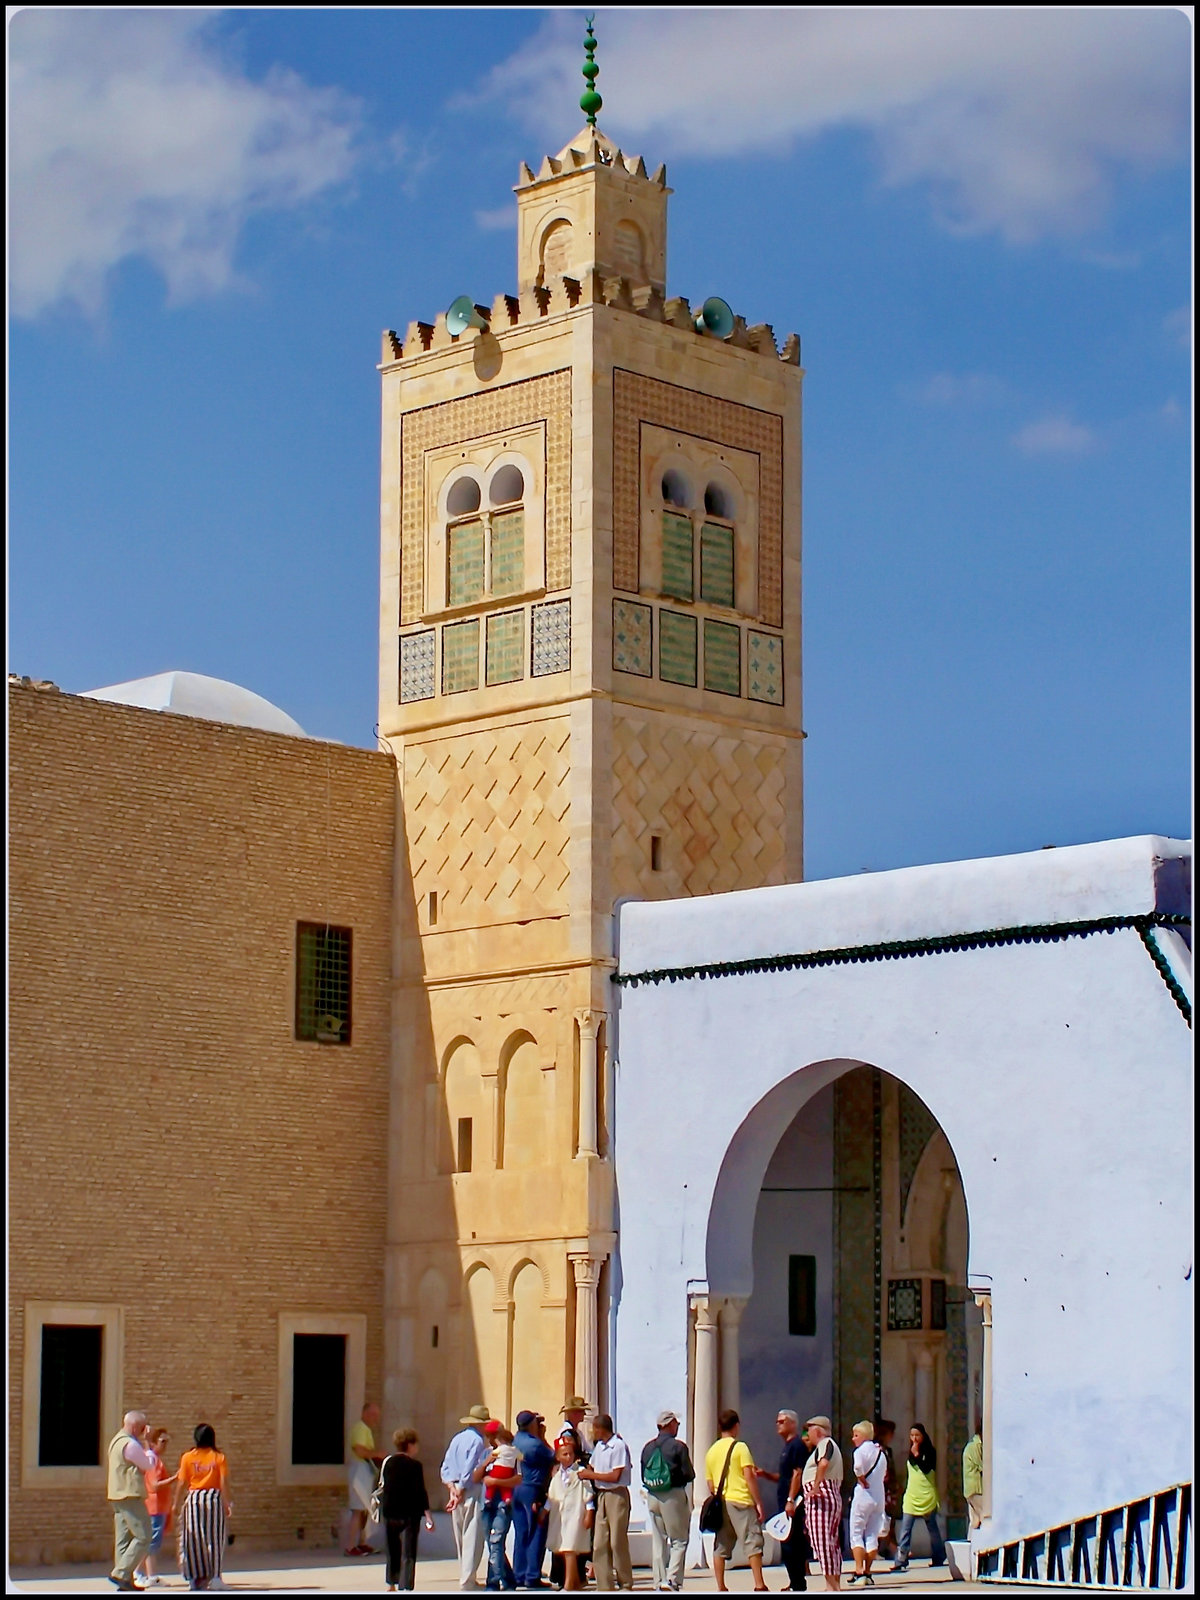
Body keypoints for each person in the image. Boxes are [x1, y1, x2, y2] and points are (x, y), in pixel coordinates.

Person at [703, 1409, 767, 1595]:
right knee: (752, 1541)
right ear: (736, 1426)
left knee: (721, 1545)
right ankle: (759, 1584)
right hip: (740, 1500)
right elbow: (749, 1476)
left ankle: (721, 1586)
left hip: (722, 1501)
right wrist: (758, 1502)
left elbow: (710, 1483)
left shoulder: (711, 1451)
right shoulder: (740, 1448)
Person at [640, 1408, 694, 1593]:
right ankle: (672, 1580)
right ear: (669, 1425)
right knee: (679, 1540)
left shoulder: (647, 1447)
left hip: (652, 1495)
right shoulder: (678, 1446)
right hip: (672, 1495)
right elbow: (689, 1474)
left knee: (659, 1540)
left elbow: (642, 1473)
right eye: (676, 1423)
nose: (678, 1426)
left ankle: (659, 1581)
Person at [173, 1422, 231, 1593]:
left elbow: (182, 1482)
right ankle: (215, 1577)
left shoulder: (187, 1457)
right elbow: (223, 1482)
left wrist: (176, 1503)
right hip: (213, 1499)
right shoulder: (218, 1457)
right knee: (215, 1539)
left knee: (193, 1540)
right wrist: (227, 1503)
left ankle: (194, 1578)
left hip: (193, 1499)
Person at [579, 1413, 634, 1591]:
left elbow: (615, 1475)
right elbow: (593, 1467)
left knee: (617, 1541)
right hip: (601, 1495)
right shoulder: (600, 1447)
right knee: (600, 1542)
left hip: (616, 1495)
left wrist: (591, 1475)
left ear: (600, 1428)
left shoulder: (617, 1446)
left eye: (594, 1428)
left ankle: (625, 1581)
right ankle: (604, 1584)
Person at [440, 1404, 492, 1590]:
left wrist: (452, 1488)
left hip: (455, 1489)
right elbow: (470, 1467)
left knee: (460, 1536)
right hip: (470, 1490)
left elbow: (445, 1466)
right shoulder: (477, 1441)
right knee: (472, 1535)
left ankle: (466, 1575)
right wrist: (461, 1488)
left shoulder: (457, 1438)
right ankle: (468, 1580)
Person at [378, 1428, 435, 1592]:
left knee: (392, 1548)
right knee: (409, 1552)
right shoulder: (415, 1466)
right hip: (410, 1514)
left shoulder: (388, 1462)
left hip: (390, 1511)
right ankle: (406, 1585)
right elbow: (420, 1492)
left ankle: (391, 1583)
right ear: (410, 1445)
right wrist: (429, 1516)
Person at [106, 1410, 158, 1592]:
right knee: (144, 1535)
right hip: (130, 1494)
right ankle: (121, 1572)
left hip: (116, 1494)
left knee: (124, 1538)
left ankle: (125, 1579)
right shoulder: (130, 1444)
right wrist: (148, 1445)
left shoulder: (115, 1441)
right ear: (136, 1427)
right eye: (143, 1427)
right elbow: (149, 1465)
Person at [765, 1410, 811, 1592]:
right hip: (784, 1502)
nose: (778, 1424)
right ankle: (794, 1581)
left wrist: (791, 1499)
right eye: (777, 1421)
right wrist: (765, 1475)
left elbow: (797, 1474)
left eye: (782, 1421)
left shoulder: (797, 1446)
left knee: (793, 1544)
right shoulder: (787, 1447)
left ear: (793, 1423)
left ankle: (799, 1583)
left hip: (793, 1503)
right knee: (786, 1543)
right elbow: (785, 1476)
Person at [550, 1398, 591, 1588]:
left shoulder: (577, 1432)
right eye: (580, 1411)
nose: (582, 1415)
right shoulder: (567, 1434)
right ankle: (566, 1579)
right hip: (572, 1488)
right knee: (567, 1540)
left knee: (572, 1541)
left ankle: (574, 1579)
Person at [891, 1424, 945, 1572]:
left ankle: (939, 1555)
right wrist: (913, 1454)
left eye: (917, 1435)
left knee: (932, 1527)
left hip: (926, 1495)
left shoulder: (930, 1451)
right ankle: (901, 1559)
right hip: (912, 1495)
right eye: (912, 1436)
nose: (914, 1439)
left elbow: (927, 1468)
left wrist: (917, 1455)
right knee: (905, 1529)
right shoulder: (910, 1452)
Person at [512, 1410, 555, 1590]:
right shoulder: (535, 1444)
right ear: (531, 1424)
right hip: (533, 1489)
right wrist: (542, 1436)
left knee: (521, 1533)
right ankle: (532, 1575)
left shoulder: (516, 1440)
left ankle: (519, 1574)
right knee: (536, 1532)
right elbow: (554, 1456)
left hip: (517, 1489)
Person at [800, 1416, 843, 1592]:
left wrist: (816, 1486)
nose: (807, 1434)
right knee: (831, 1542)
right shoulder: (828, 1445)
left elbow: (823, 1463)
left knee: (823, 1541)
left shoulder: (825, 1444)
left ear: (817, 1430)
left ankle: (832, 1586)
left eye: (808, 1430)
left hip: (821, 1496)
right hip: (830, 1493)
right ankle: (833, 1584)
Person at [477, 1423, 522, 1591]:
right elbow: (475, 1477)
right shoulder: (487, 1454)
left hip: (503, 1504)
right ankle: (509, 1579)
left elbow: (518, 1479)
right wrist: (485, 1463)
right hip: (486, 1503)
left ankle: (493, 1581)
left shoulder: (511, 1454)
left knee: (496, 1542)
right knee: (493, 1544)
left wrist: (496, 1481)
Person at [846, 1421, 887, 1587]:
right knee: (872, 1535)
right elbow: (883, 1474)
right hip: (879, 1496)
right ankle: (868, 1571)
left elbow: (857, 1468)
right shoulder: (880, 1454)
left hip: (864, 1495)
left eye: (856, 1435)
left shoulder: (859, 1451)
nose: (853, 1438)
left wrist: (861, 1478)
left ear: (862, 1436)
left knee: (856, 1533)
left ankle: (859, 1571)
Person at [135, 1426, 176, 1588]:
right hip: (154, 1507)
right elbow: (154, 1484)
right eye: (163, 1441)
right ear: (154, 1443)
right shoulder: (153, 1461)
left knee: (149, 1541)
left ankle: (140, 1573)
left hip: (155, 1507)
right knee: (152, 1543)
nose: (165, 1445)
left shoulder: (151, 1457)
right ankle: (149, 1575)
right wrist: (175, 1478)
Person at [347, 1401, 385, 1556]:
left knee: (364, 1510)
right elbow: (360, 1450)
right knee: (358, 1509)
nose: (374, 1418)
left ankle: (362, 1542)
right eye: (372, 1415)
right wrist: (376, 1454)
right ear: (364, 1413)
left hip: (365, 1470)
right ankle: (350, 1546)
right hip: (360, 1469)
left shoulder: (365, 1430)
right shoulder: (361, 1429)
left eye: (376, 1416)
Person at [872, 1422, 899, 1562]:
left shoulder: (888, 1450)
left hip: (889, 1491)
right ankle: (891, 1547)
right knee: (880, 1519)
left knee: (887, 1519)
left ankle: (888, 1547)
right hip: (880, 1489)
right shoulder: (877, 1450)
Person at [963, 1423, 984, 1531]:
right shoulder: (975, 1446)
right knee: (985, 1516)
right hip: (976, 1489)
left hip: (970, 1490)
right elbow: (982, 1466)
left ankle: (970, 1545)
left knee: (975, 1521)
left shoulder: (973, 1445)